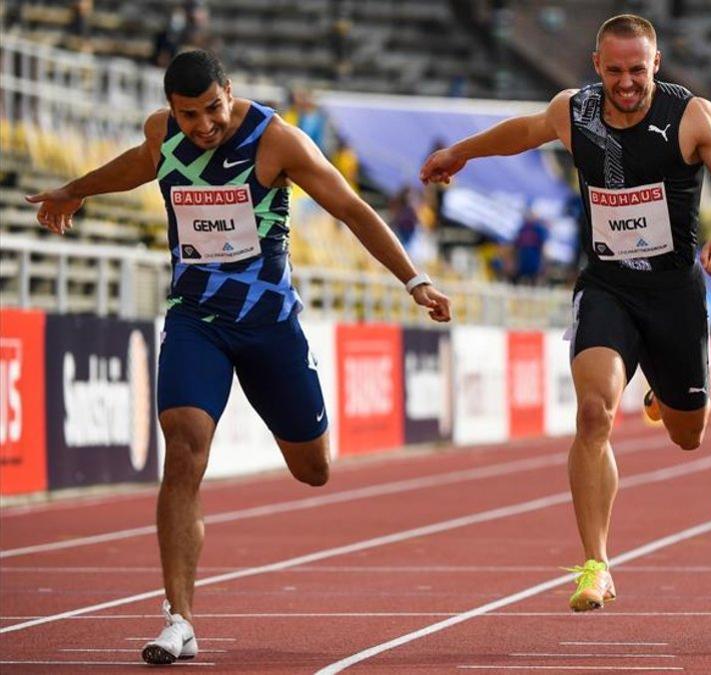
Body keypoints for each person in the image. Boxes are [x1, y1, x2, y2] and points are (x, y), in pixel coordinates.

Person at [26, 50, 451, 665]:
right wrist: (75, 189)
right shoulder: (160, 133)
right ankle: (180, 619)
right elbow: (140, 165)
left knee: (313, 469)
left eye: (213, 110)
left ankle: (300, 428)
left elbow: (353, 210)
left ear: (231, 92)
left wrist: (415, 281)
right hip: (196, 319)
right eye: (189, 114)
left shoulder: (277, 142)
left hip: (270, 326)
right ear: (172, 109)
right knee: (184, 443)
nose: (202, 126)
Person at [421, 13, 711, 613]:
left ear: (656, 64)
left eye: (638, 70)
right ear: (596, 66)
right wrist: (461, 153)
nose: (627, 82)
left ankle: (663, 388)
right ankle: (596, 564)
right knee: (592, 413)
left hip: (674, 294)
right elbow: (525, 131)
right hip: (607, 285)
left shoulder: (692, 118)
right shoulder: (574, 110)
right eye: (615, 70)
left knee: (689, 436)